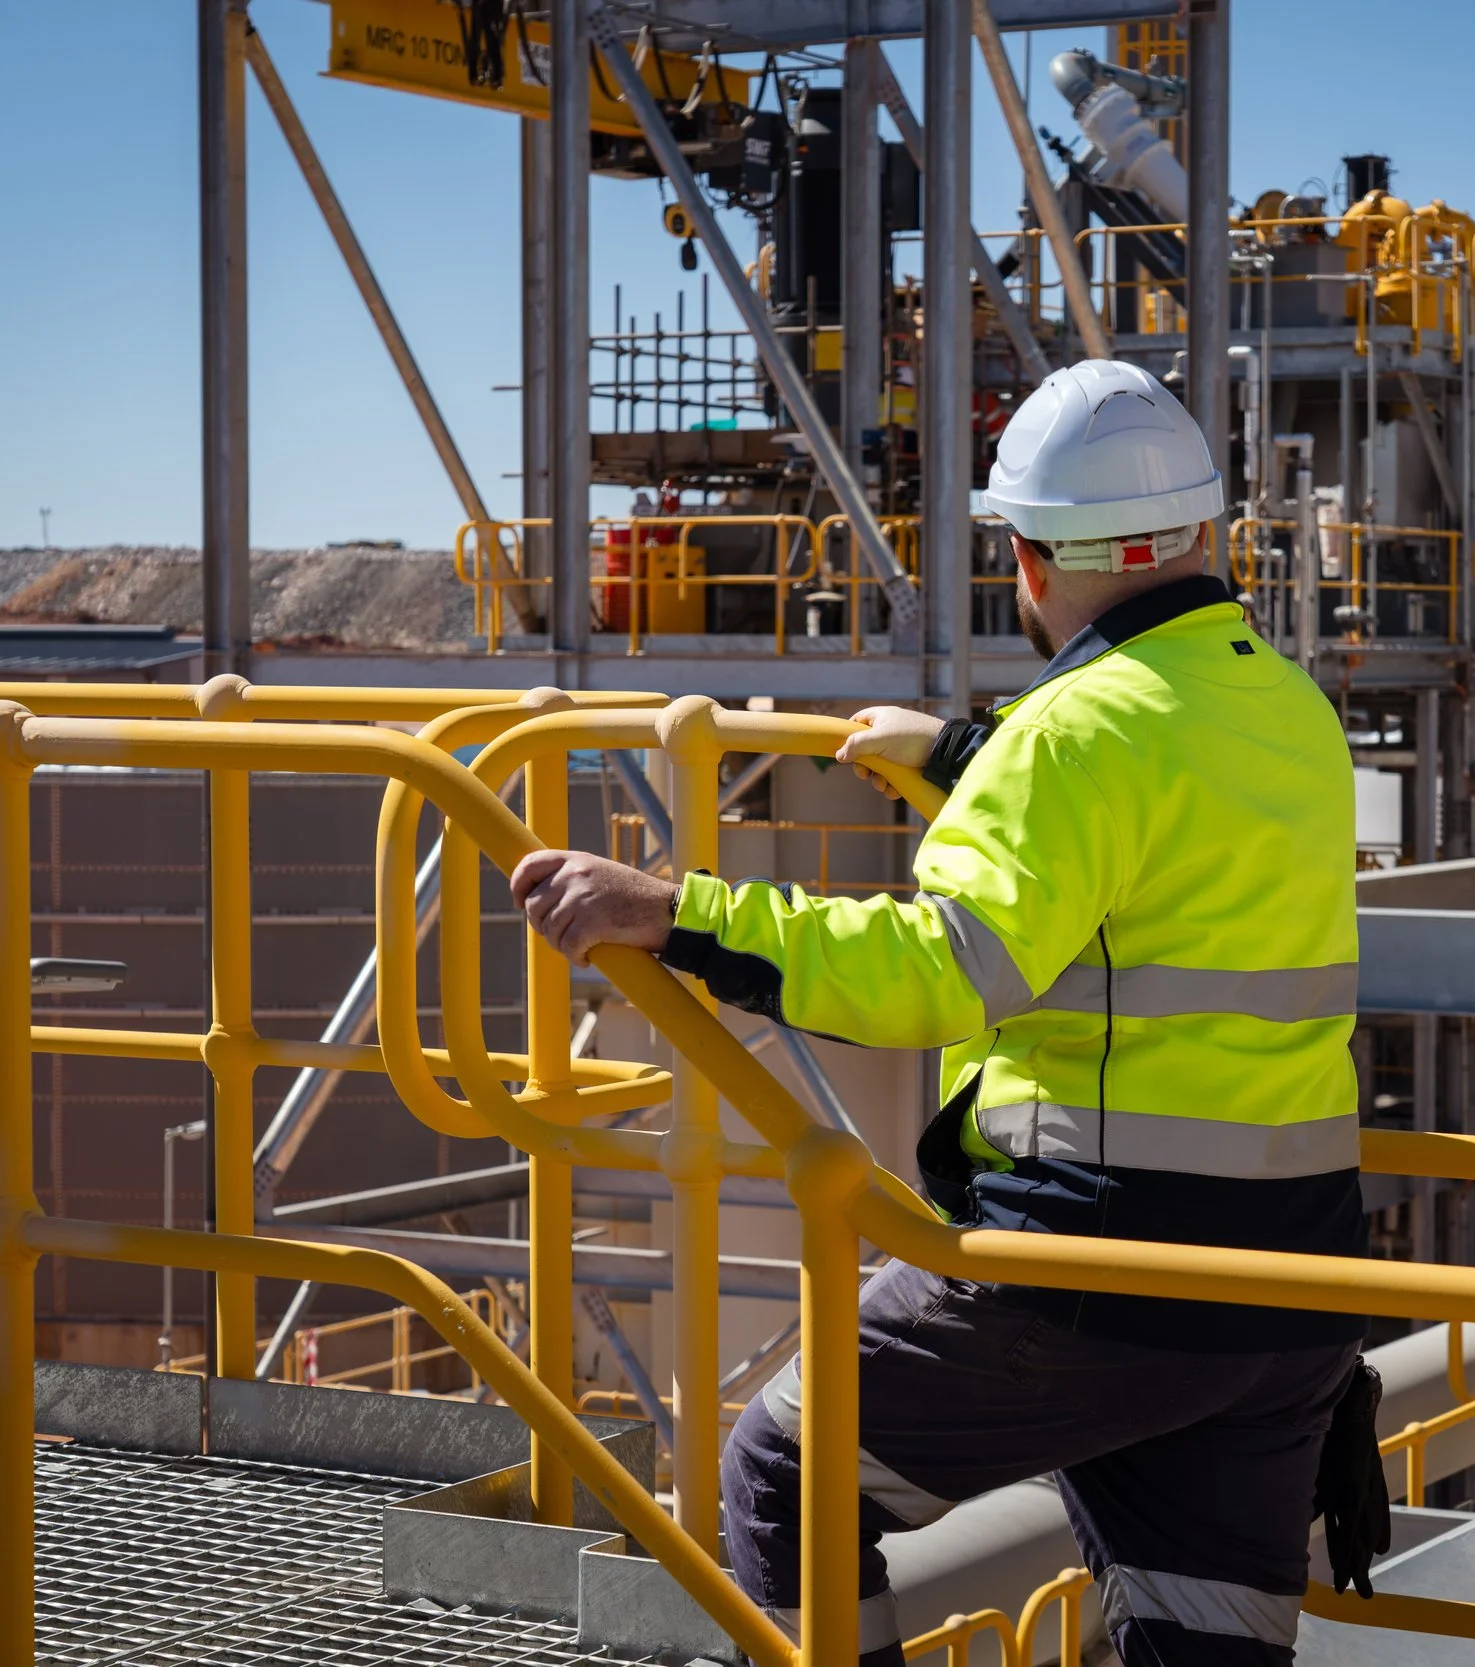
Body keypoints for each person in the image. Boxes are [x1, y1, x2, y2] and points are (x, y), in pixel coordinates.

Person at [511, 359, 1377, 1667]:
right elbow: (1161, 845)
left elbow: (934, 971)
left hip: (1099, 1279)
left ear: (1027, 562)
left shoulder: (1070, 736)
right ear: (1204, 533)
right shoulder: (1295, 710)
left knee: (782, 1466)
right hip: (1288, 1293)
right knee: (1203, 1639)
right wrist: (969, 760)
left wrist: (675, 909)